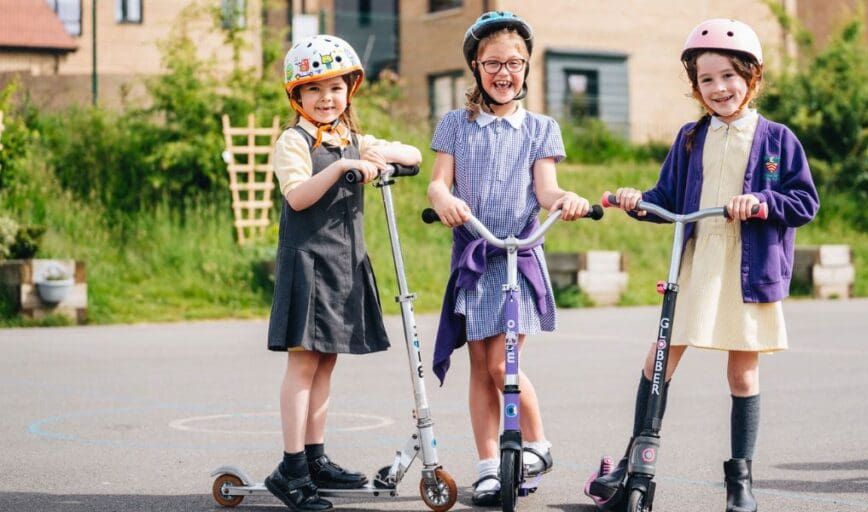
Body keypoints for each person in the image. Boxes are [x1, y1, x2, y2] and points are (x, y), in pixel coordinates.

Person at [588, 18, 819, 512]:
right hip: (696, 264)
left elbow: (804, 202)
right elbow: (666, 199)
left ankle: (740, 481)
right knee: (658, 360)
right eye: (706, 79)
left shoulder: (777, 139)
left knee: (743, 376)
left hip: (749, 267)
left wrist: (761, 202)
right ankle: (633, 462)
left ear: (752, 77)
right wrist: (635, 201)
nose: (719, 88)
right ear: (696, 86)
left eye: (729, 76)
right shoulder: (691, 137)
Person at [425, 11, 592, 506]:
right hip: (475, 255)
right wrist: (444, 200)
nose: (504, 72)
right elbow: (438, 183)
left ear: (526, 68)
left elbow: (546, 190)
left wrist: (565, 200)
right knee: (479, 365)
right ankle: (487, 467)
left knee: (502, 364)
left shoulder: (541, 128)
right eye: (493, 63)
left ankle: (537, 444)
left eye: (514, 63)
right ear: (476, 67)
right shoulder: (456, 124)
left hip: (517, 257)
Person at [265, 34, 422, 512]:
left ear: (349, 91)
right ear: (297, 96)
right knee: (303, 364)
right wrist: (341, 169)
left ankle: (315, 456)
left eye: (335, 88)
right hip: (309, 264)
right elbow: (298, 197)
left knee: (327, 362)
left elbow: (413, 154)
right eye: (313, 89)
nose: (326, 98)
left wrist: (379, 156)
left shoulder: (350, 139)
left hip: (343, 264)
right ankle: (291, 467)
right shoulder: (293, 142)